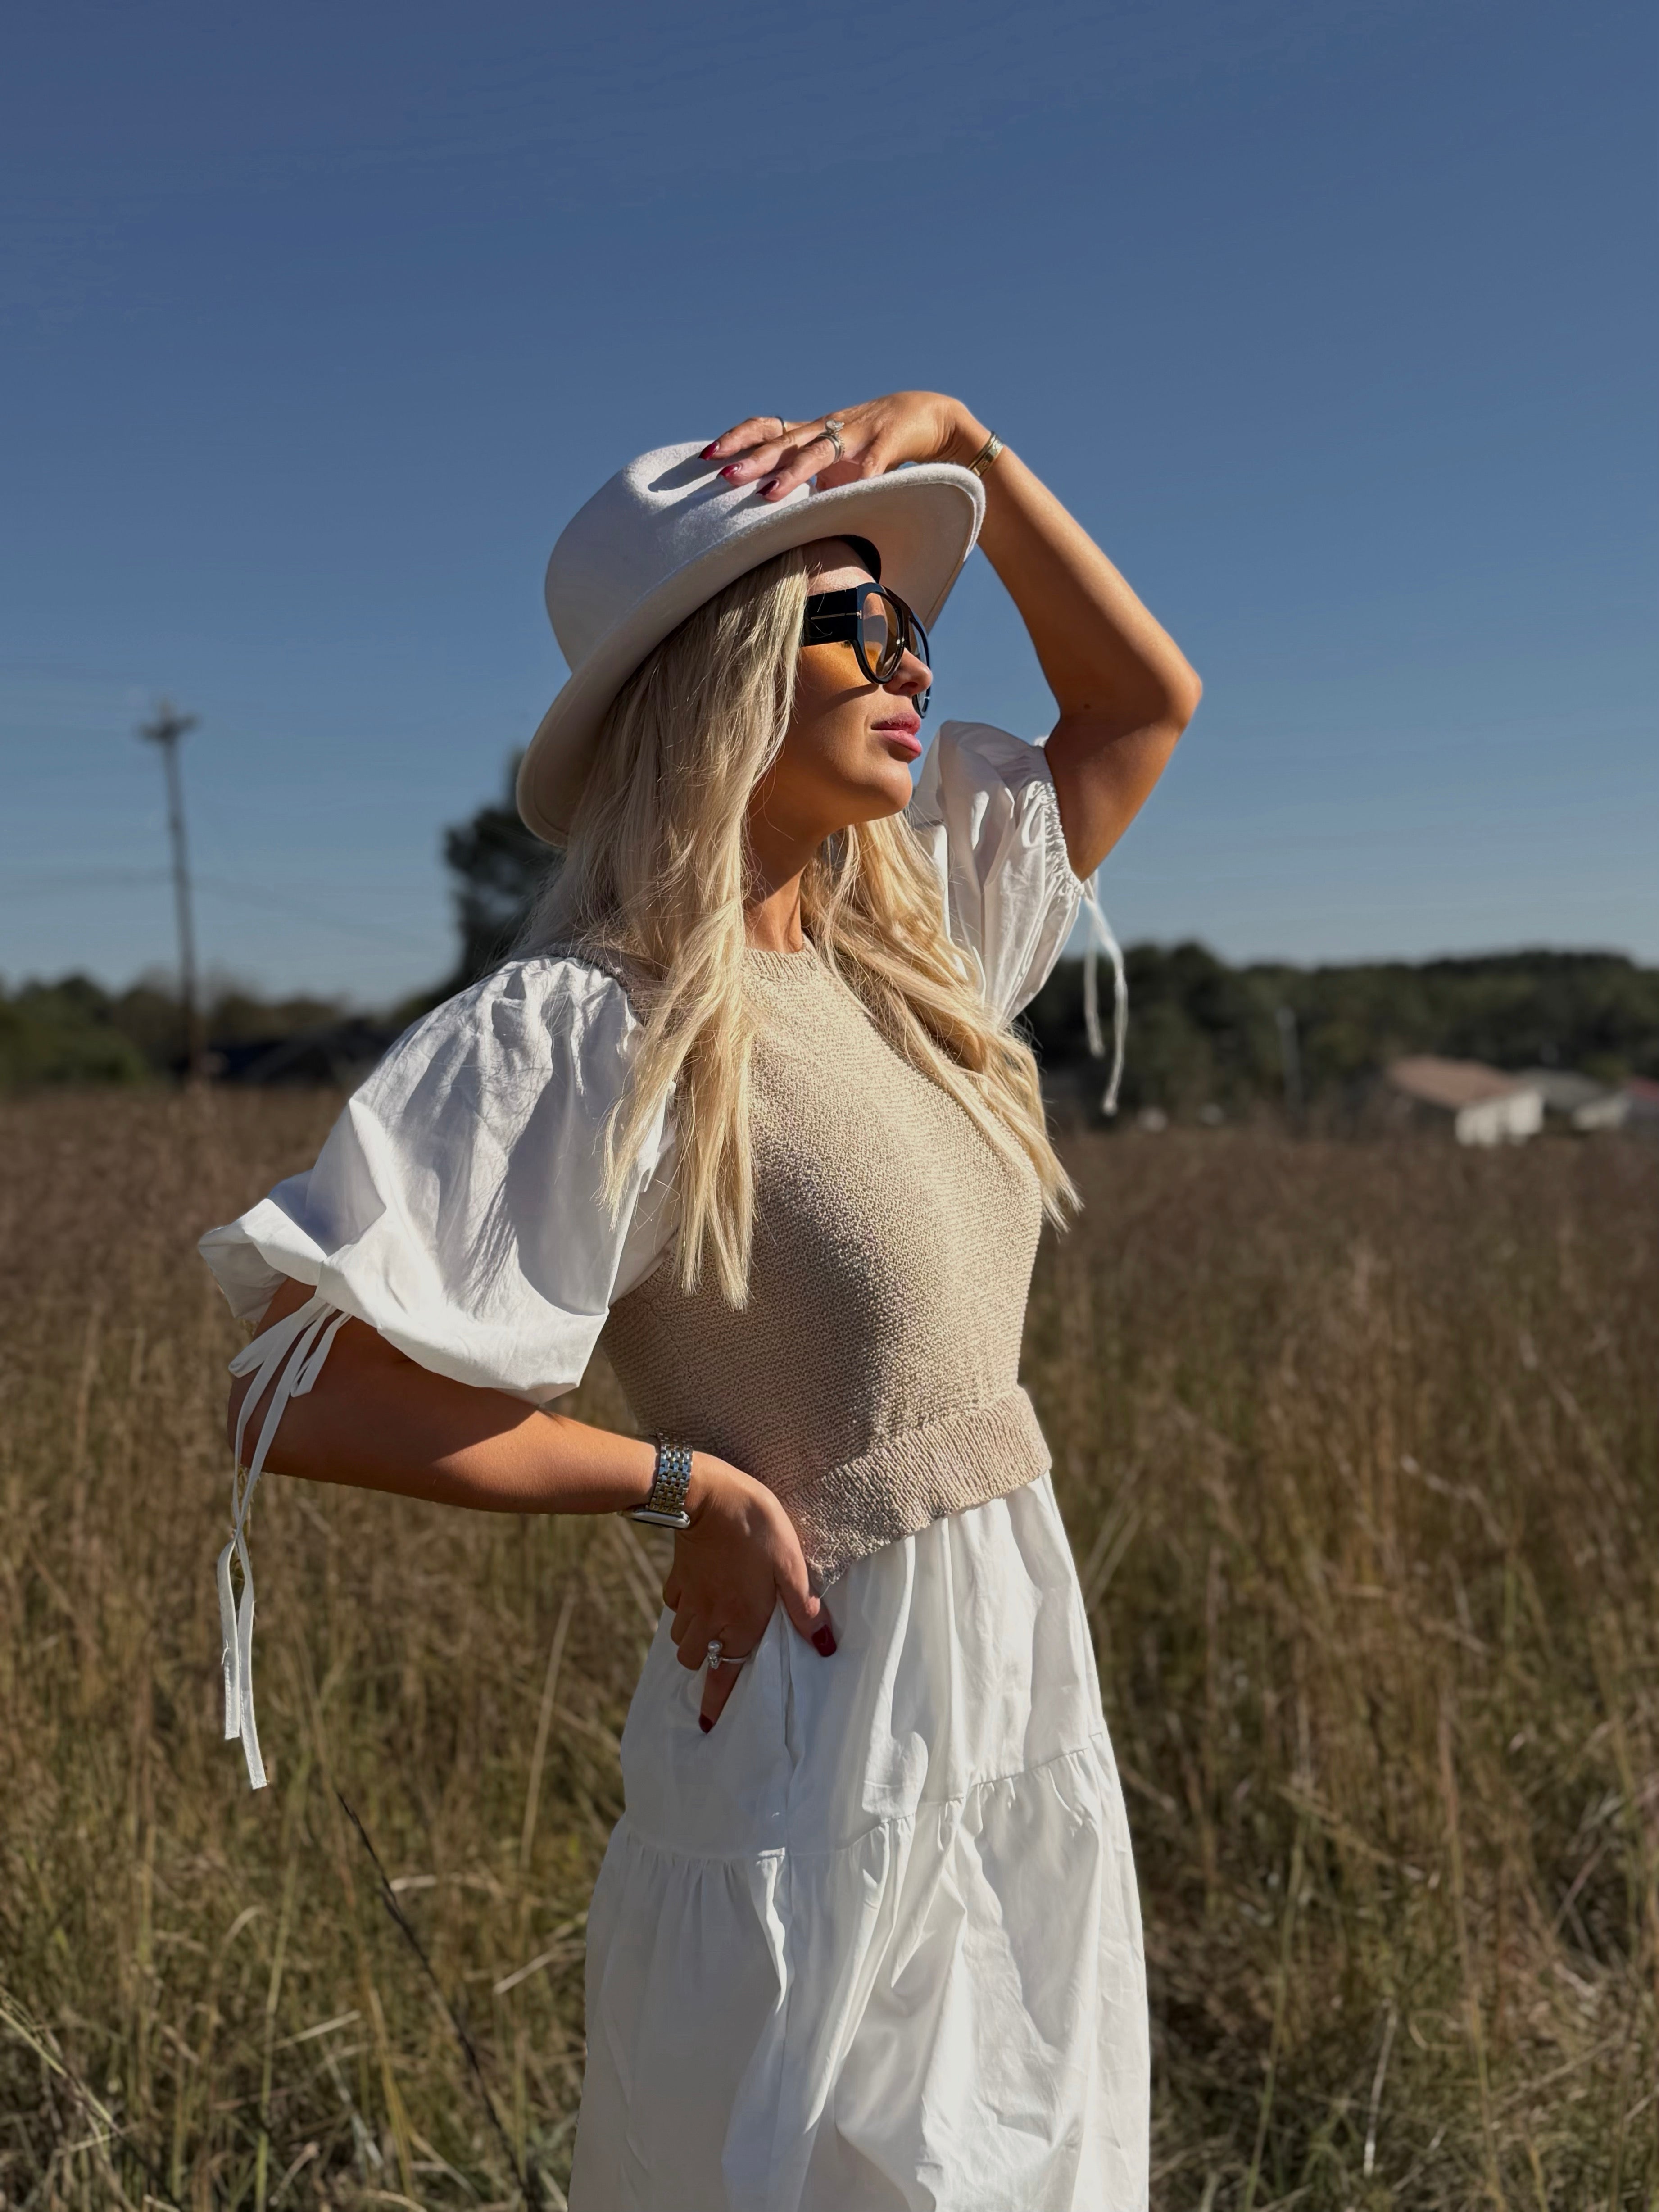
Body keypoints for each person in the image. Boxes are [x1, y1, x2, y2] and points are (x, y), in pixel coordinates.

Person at [199, 390, 1199, 2212]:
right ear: (734, 665)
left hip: (1004, 1683)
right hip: (820, 1729)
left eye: (920, 630)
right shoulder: (603, 1023)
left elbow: (1141, 707)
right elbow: (303, 1381)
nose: (911, 664)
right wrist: (683, 1489)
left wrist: (968, 449)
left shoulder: (920, 953)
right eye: (859, 623)